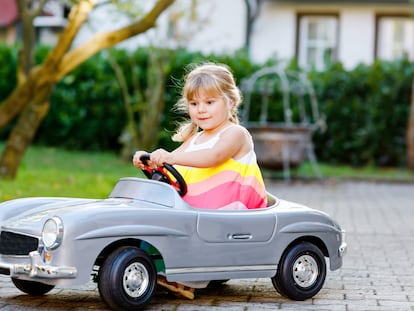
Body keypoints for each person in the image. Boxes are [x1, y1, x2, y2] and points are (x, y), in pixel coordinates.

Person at [132, 62, 267, 299]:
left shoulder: (235, 134)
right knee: (153, 215)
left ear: (231, 102)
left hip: (233, 212)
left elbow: (212, 157)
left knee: (193, 227)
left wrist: (171, 155)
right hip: (200, 209)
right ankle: (143, 259)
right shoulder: (195, 138)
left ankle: (189, 275)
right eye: (194, 104)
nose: (201, 110)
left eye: (209, 102)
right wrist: (152, 160)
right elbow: (178, 164)